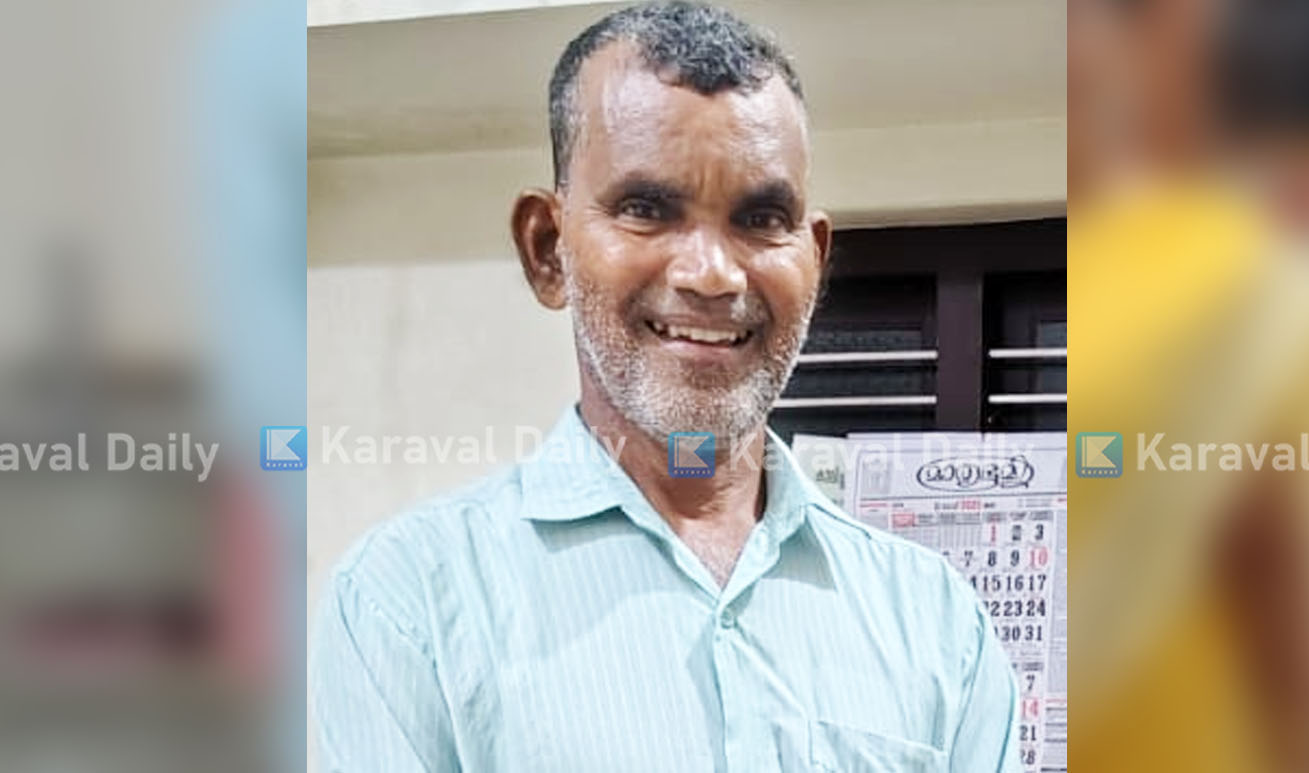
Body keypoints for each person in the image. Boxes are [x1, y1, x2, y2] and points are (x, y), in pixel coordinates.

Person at [310, 3, 1019, 771]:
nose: (712, 275)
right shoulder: (409, 603)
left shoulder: (935, 621)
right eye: (646, 209)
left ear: (813, 260)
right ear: (548, 250)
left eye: (761, 217)